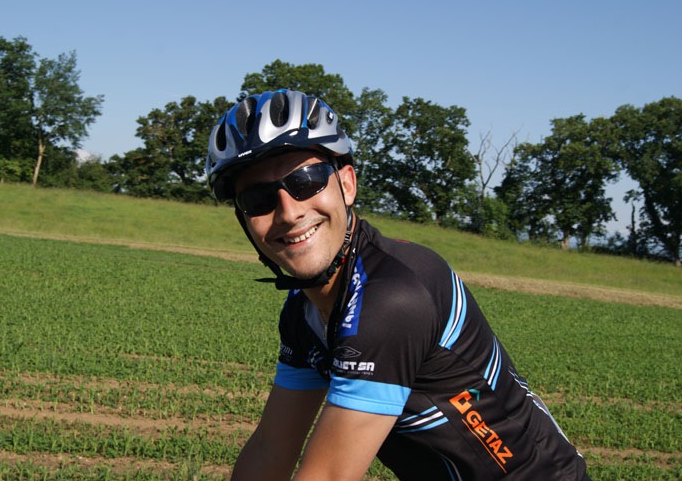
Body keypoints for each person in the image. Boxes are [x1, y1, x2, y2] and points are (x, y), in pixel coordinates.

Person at [206, 89, 590, 480]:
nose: (289, 212)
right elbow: (272, 446)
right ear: (244, 221)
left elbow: (329, 476)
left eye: (306, 181)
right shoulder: (302, 311)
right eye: (258, 199)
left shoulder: (392, 298)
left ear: (347, 184)